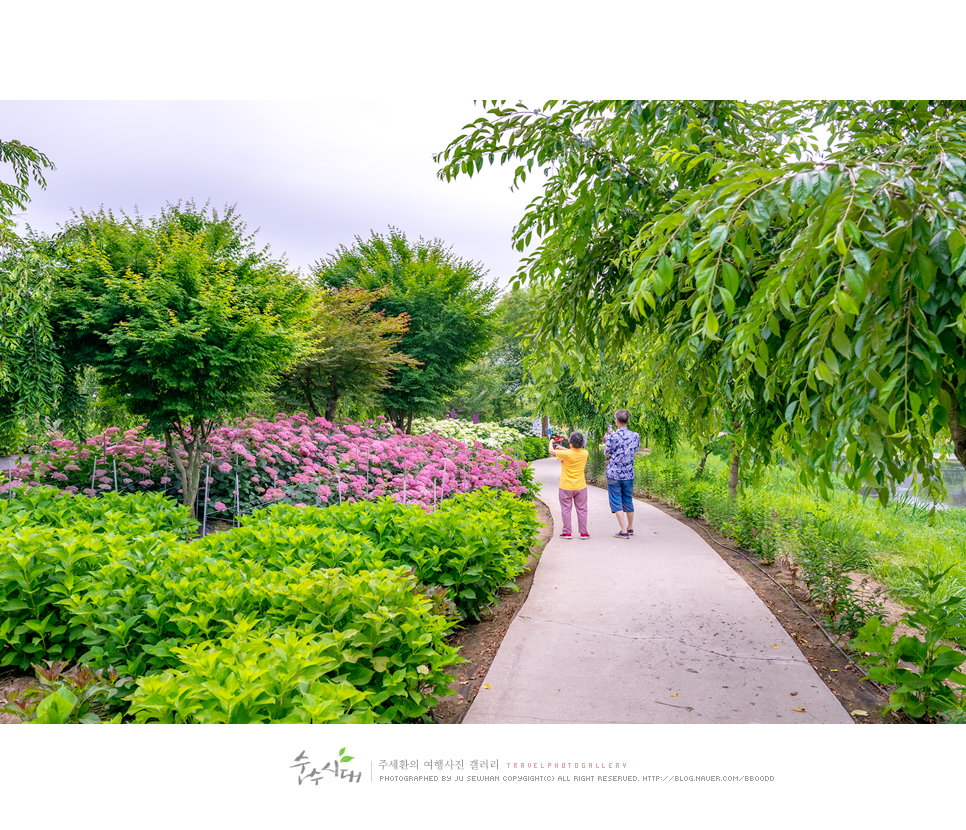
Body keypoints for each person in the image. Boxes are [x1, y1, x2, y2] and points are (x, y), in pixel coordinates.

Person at [604, 409, 641, 539]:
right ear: (628, 420)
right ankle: (630, 528)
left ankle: (623, 531)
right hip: (629, 473)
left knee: (616, 500)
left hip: (614, 473)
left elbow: (607, 453)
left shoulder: (612, 437)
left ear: (616, 421)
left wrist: (606, 440)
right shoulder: (636, 436)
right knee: (628, 499)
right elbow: (634, 449)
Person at [548, 432, 590, 539]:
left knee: (566, 509)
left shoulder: (566, 455)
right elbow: (574, 452)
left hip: (565, 486)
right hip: (580, 486)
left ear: (570, 443)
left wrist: (551, 442)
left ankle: (567, 532)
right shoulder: (585, 453)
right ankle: (584, 533)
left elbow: (551, 451)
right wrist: (562, 448)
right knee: (582, 509)